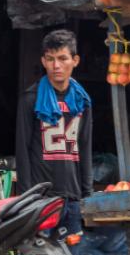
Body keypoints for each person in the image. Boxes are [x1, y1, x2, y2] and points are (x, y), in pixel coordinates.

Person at [15, 29, 92, 238]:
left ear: (75, 60)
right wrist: (27, 197)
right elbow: (22, 150)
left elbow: (84, 146)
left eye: (62, 59)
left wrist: (87, 194)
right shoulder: (30, 98)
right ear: (43, 61)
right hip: (41, 199)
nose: (56, 66)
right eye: (50, 59)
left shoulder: (82, 101)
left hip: (72, 198)